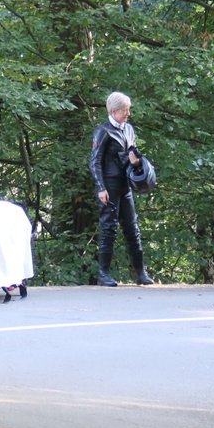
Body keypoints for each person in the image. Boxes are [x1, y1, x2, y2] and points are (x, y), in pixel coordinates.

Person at [89, 91, 156, 287]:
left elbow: (130, 156)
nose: (128, 114)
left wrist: (136, 163)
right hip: (109, 185)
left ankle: (141, 273)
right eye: (125, 110)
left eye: (128, 110)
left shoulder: (129, 130)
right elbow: (94, 162)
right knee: (109, 228)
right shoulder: (102, 131)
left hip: (125, 185)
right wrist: (100, 188)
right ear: (114, 111)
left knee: (132, 228)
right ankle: (103, 274)